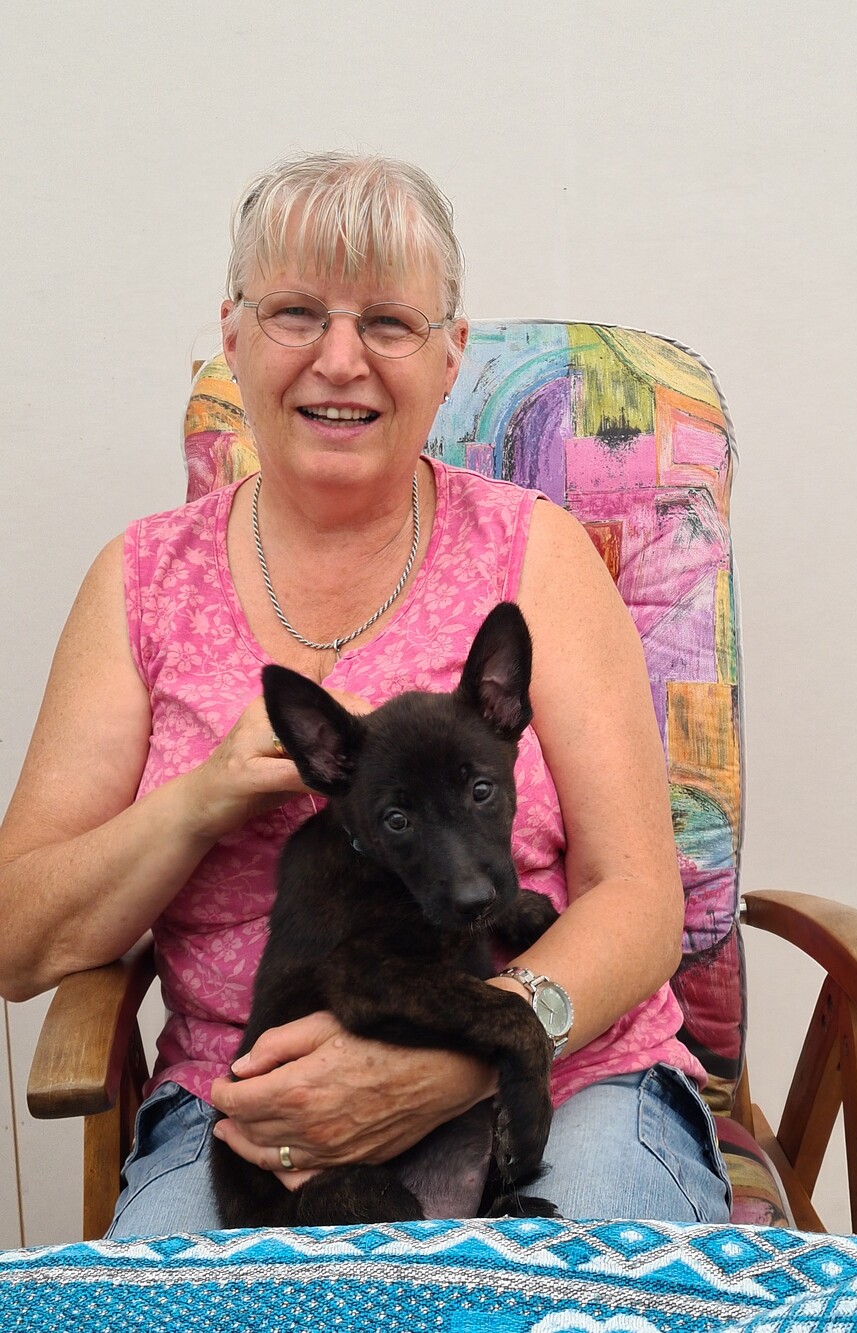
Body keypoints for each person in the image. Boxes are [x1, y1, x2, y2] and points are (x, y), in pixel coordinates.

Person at [0, 152, 731, 1236]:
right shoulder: (143, 581)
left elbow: (638, 896)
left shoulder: (537, 555)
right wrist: (200, 799)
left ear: (449, 356)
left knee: (560, 1301)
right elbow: (19, 939)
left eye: (388, 322)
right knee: (199, 1310)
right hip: (254, 1113)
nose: (339, 360)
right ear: (233, 336)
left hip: (562, 1075)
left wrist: (465, 1053)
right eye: (296, 312)